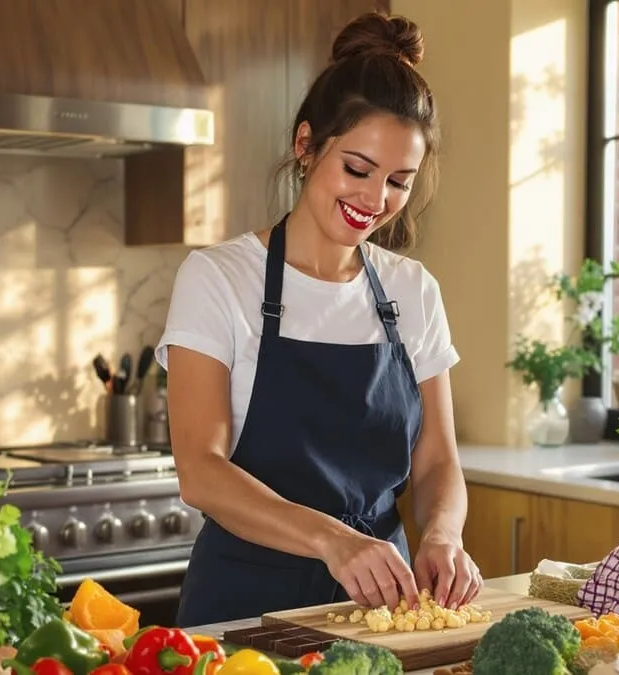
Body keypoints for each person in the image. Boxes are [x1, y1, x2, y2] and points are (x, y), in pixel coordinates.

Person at [155, 10, 481, 628]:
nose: (374, 200)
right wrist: (335, 541)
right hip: (244, 607)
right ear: (306, 145)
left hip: (380, 606)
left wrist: (443, 533)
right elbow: (201, 472)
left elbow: (438, 461)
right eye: (357, 169)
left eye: (399, 182)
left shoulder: (413, 290)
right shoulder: (218, 278)